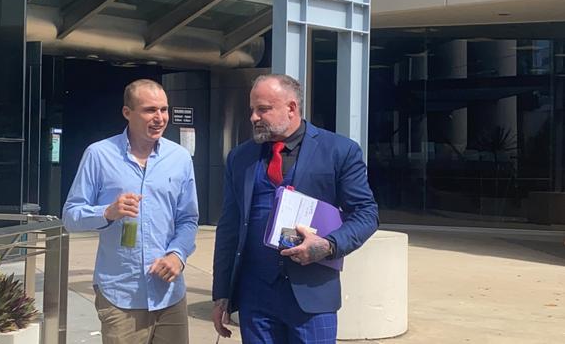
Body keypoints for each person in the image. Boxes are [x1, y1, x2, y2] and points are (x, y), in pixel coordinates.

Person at [211, 74, 379, 343]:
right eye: (252, 110)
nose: (254, 117)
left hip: (311, 295)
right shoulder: (240, 158)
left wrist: (329, 245)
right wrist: (221, 293)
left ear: (291, 108)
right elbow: (229, 227)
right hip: (255, 296)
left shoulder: (339, 150)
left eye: (263, 109)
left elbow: (366, 213)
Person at [63, 79, 198, 344]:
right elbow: (70, 216)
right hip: (120, 297)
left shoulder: (180, 158)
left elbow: (188, 219)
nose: (159, 118)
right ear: (127, 113)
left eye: (164, 110)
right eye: (150, 110)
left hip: (169, 296)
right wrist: (107, 212)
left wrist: (177, 255)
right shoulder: (99, 155)